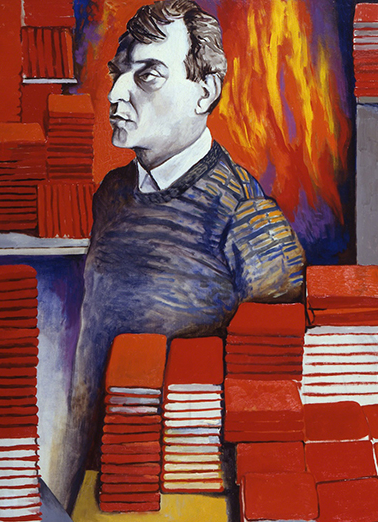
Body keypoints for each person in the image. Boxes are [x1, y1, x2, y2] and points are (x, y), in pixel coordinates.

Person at [54, 0, 305, 494]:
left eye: (147, 75)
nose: (116, 93)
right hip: (99, 483)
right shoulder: (110, 195)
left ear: (204, 92)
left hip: (192, 493)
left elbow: (278, 391)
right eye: (118, 73)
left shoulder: (249, 219)